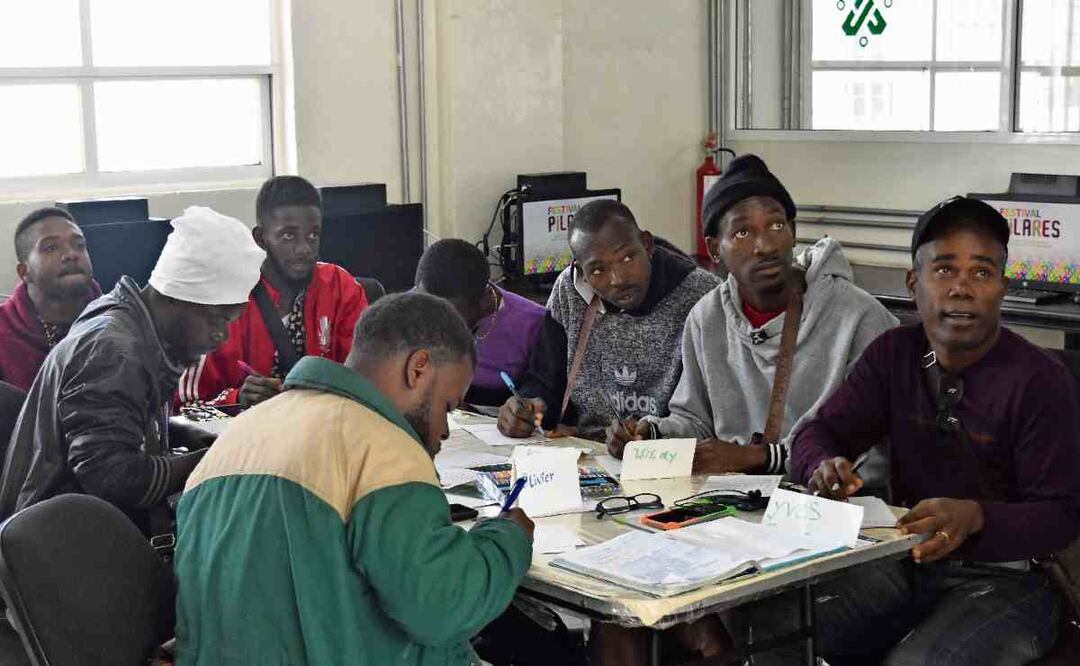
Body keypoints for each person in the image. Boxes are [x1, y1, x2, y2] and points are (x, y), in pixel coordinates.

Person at [748, 196, 1080, 665]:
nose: (962, 288)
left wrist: (977, 517)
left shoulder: (1040, 380)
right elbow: (818, 433)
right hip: (904, 562)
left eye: (982, 272)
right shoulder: (893, 355)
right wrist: (822, 466)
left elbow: (1062, 516)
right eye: (944, 270)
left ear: (1002, 288)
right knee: (777, 622)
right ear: (913, 284)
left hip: (1012, 580)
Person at [174, 292, 534, 665]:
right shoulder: (383, 449)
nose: (444, 430)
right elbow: (443, 606)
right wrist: (507, 538)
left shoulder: (238, 434)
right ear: (418, 368)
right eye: (447, 406)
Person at [607, 154, 897, 476]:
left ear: (793, 231)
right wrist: (652, 434)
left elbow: (873, 449)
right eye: (743, 233)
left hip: (827, 504)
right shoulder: (707, 318)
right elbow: (696, 421)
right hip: (733, 498)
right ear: (715, 248)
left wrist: (756, 458)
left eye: (776, 226)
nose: (765, 246)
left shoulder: (858, 318)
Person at [0, 207, 264, 535]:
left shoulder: (127, 317)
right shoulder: (115, 350)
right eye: (217, 319)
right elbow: (113, 477)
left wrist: (182, 433)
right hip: (57, 545)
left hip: (77, 523)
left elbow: (121, 419)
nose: (221, 336)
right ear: (176, 298)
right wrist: (213, 458)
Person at [497, 200, 720, 440]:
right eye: (597, 270)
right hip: (584, 451)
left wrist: (650, 437)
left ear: (646, 244)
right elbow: (545, 380)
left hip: (667, 455)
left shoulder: (703, 296)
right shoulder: (570, 291)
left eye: (627, 258)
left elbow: (708, 415)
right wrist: (528, 407)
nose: (617, 279)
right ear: (581, 272)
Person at [176, 175, 369, 409]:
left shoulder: (340, 287)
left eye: (313, 235)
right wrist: (237, 399)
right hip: (247, 436)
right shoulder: (223, 301)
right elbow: (185, 407)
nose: (304, 248)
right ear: (260, 238)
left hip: (325, 428)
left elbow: (365, 379)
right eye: (288, 235)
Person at [415, 238, 547, 407]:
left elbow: (537, 402)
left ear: (484, 300)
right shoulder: (409, 307)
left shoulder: (534, 324)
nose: (436, 326)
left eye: (450, 317)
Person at [0, 207, 100, 391]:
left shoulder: (116, 321)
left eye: (79, 244)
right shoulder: (4, 333)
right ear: (24, 272)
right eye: (51, 247)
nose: (71, 254)